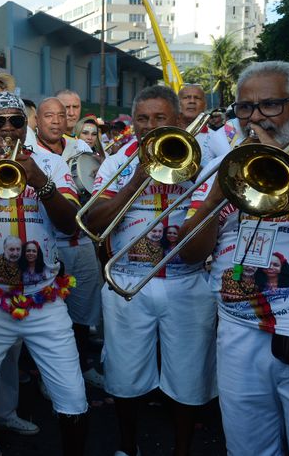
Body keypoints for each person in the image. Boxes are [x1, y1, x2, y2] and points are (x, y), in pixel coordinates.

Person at [84, 85, 217, 456]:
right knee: (124, 377)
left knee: (188, 378)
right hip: (127, 282)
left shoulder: (202, 159)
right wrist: (137, 178)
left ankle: (182, 450)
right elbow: (94, 222)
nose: (150, 125)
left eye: (160, 118)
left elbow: (202, 244)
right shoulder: (115, 162)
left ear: (177, 120)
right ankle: (128, 447)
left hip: (186, 282)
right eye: (142, 118)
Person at [0, 91, 87, 456]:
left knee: (72, 393)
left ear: (27, 126)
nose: (10, 129)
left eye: (17, 121)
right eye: (0, 122)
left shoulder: (50, 163)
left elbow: (69, 226)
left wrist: (40, 180)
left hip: (45, 299)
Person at [178, 60, 289, 456]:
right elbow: (190, 253)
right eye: (245, 108)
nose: (256, 117)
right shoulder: (223, 166)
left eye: (271, 105)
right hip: (238, 330)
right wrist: (216, 195)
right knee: (247, 447)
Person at [35, 96, 105, 389]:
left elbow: (95, 184)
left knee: (83, 311)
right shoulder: (29, 154)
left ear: (68, 121)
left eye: (60, 115)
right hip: (48, 245)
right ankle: (48, 378)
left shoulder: (82, 148)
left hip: (81, 241)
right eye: (48, 115)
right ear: (37, 121)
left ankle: (83, 365)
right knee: (49, 316)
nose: (54, 120)